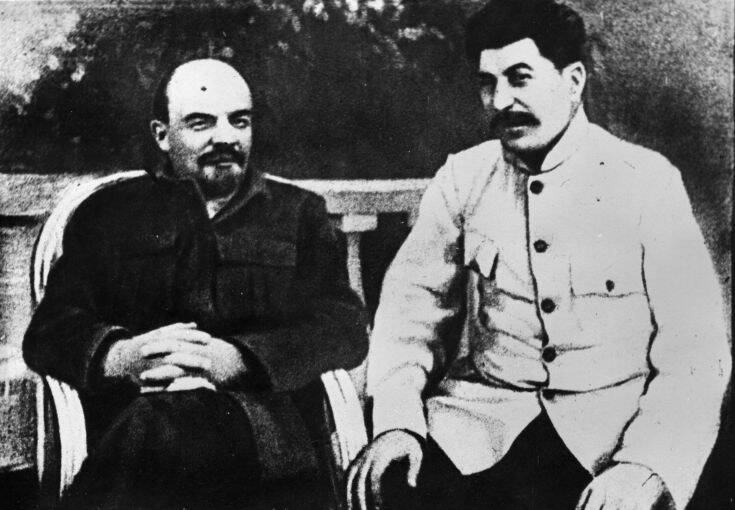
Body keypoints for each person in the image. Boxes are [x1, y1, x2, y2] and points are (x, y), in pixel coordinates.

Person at [347, 1, 730, 509]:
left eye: (520, 78)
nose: (501, 100)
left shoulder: (647, 182)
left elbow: (695, 350)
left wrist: (647, 465)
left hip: (608, 433)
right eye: (488, 83)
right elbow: (408, 317)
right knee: (390, 487)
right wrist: (398, 423)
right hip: (481, 425)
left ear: (573, 81)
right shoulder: (463, 178)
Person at [24, 58, 368, 509]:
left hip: (263, 440)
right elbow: (50, 330)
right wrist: (121, 355)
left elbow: (341, 328)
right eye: (201, 123)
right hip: (141, 431)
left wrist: (240, 360)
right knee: (157, 426)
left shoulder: (298, 214)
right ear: (162, 135)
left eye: (239, 121)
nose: (225, 137)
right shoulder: (108, 214)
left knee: (160, 428)